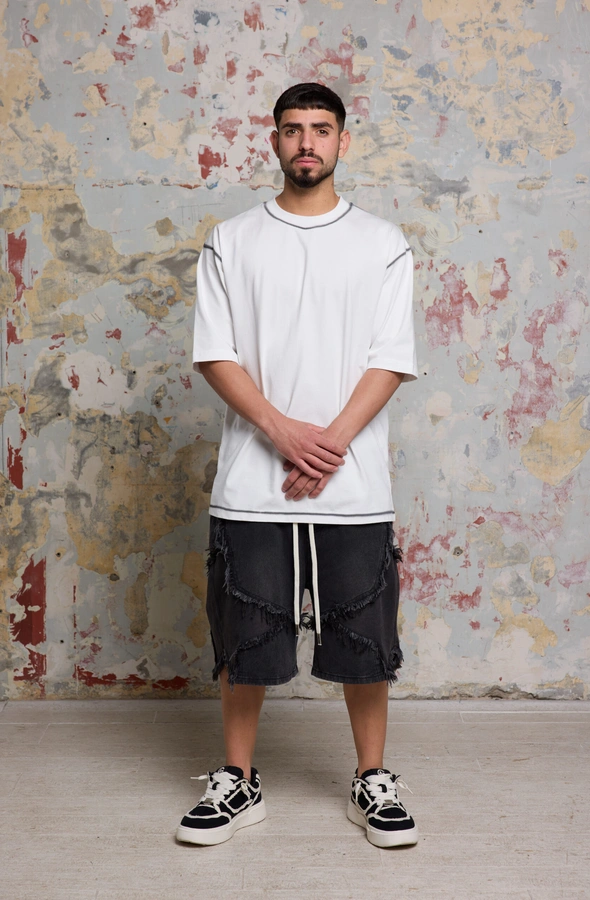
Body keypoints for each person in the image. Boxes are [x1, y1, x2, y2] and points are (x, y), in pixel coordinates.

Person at [177, 82, 419, 849]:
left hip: (354, 483)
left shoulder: (383, 242)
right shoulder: (232, 239)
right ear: (273, 140)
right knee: (245, 638)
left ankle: (372, 779)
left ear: (344, 140)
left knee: (365, 642)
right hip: (254, 481)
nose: (307, 142)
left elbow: (390, 358)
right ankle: (238, 780)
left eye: (321, 128)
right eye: (293, 129)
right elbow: (215, 352)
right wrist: (282, 432)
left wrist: (330, 443)